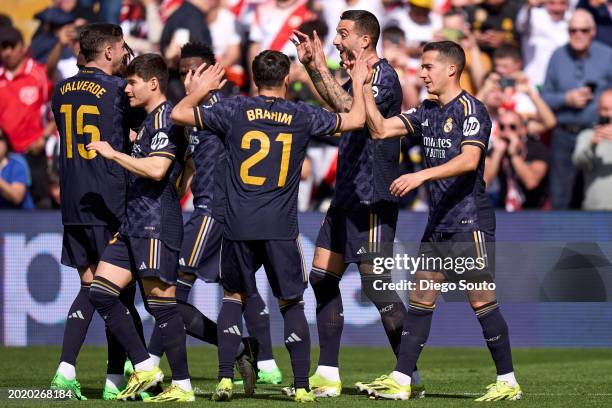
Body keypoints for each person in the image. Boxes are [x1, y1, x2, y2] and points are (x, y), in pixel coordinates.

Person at [170, 49, 369, 402]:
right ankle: (302, 387)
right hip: (280, 226)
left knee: (232, 297)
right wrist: (358, 80)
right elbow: (354, 120)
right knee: (291, 303)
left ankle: (224, 379)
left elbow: (179, 113)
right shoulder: (301, 114)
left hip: (237, 224)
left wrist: (201, 88)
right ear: (287, 78)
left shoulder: (233, 109)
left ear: (253, 76)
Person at [360, 41, 521, 402]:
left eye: (428, 66)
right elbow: (381, 130)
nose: (421, 73)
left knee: (481, 299)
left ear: (451, 69)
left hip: (469, 221)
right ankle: (402, 379)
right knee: (421, 294)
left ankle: (508, 380)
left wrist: (420, 177)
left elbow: (468, 161)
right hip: (440, 223)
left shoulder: (472, 110)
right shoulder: (428, 109)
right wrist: (361, 85)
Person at [292, 10, 419, 398]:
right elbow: (342, 106)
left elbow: (353, 111)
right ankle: (328, 374)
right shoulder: (359, 76)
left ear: (365, 40)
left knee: (377, 285)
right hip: (346, 194)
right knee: (322, 279)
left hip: (372, 196)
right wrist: (315, 69)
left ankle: (406, 376)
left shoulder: (385, 78)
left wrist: (319, 71)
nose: (335, 40)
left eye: (342, 33)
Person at [145, 41, 275, 389]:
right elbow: (190, 161)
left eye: (196, 71)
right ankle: (243, 348)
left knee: (170, 292)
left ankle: (152, 364)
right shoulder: (193, 112)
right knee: (222, 290)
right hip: (203, 209)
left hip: (213, 213)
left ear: (213, 74)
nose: (188, 77)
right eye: (184, 71)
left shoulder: (221, 109)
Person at [86, 54, 193, 402]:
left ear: (153, 83)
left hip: (154, 222)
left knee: (162, 306)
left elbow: (159, 170)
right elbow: (184, 165)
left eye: (131, 83)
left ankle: (182, 385)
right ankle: (146, 366)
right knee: (101, 292)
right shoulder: (151, 121)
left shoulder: (167, 118)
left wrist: (113, 153)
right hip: (134, 221)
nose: (126, 89)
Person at [49, 23, 145, 401]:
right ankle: (116, 379)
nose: (125, 54)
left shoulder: (60, 91)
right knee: (115, 290)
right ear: (108, 51)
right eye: (121, 49)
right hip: (109, 198)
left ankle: (68, 370)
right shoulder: (120, 90)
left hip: (73, 198)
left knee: (92, 285)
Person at [541, 8, 612, 209]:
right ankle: (559, 240)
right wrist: (567, 99)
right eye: (573, 30)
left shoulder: (607, 56)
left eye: (583, 30)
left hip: (598, 133)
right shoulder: (557, 56)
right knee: (561, 197)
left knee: (597, 196)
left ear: (593, 31)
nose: (578, 34)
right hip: (564, 135)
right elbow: (544, 95)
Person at [0, 25, 54, 208]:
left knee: (43, 204)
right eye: (2, 47)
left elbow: (58, 110)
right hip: (6, 155)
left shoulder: (39, 73)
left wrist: (44, 137)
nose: (6, 52)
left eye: (11, 46)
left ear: (22, 47)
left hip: (34, 152)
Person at [484, 109, 550, 210]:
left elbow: (531, 182)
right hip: (502, 212)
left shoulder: (537, 149)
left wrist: (514, 155)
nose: (507, 132)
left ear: (523, 129)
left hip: (533, 211)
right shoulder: (495, 150)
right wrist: (497, 154)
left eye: (512, 127)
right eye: (502, 127)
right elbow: (485, 182)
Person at [572, 88, 612, 210]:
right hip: (596, 210)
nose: (610, 114)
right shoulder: (588, 136)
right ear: (598, 110)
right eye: (605, 109)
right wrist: (593, 144)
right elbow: (578, 162)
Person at [0, 131, 34, 209]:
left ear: (6, 142)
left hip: (20, 218)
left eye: (0, 138)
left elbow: (17, 197)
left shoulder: (17, 163)